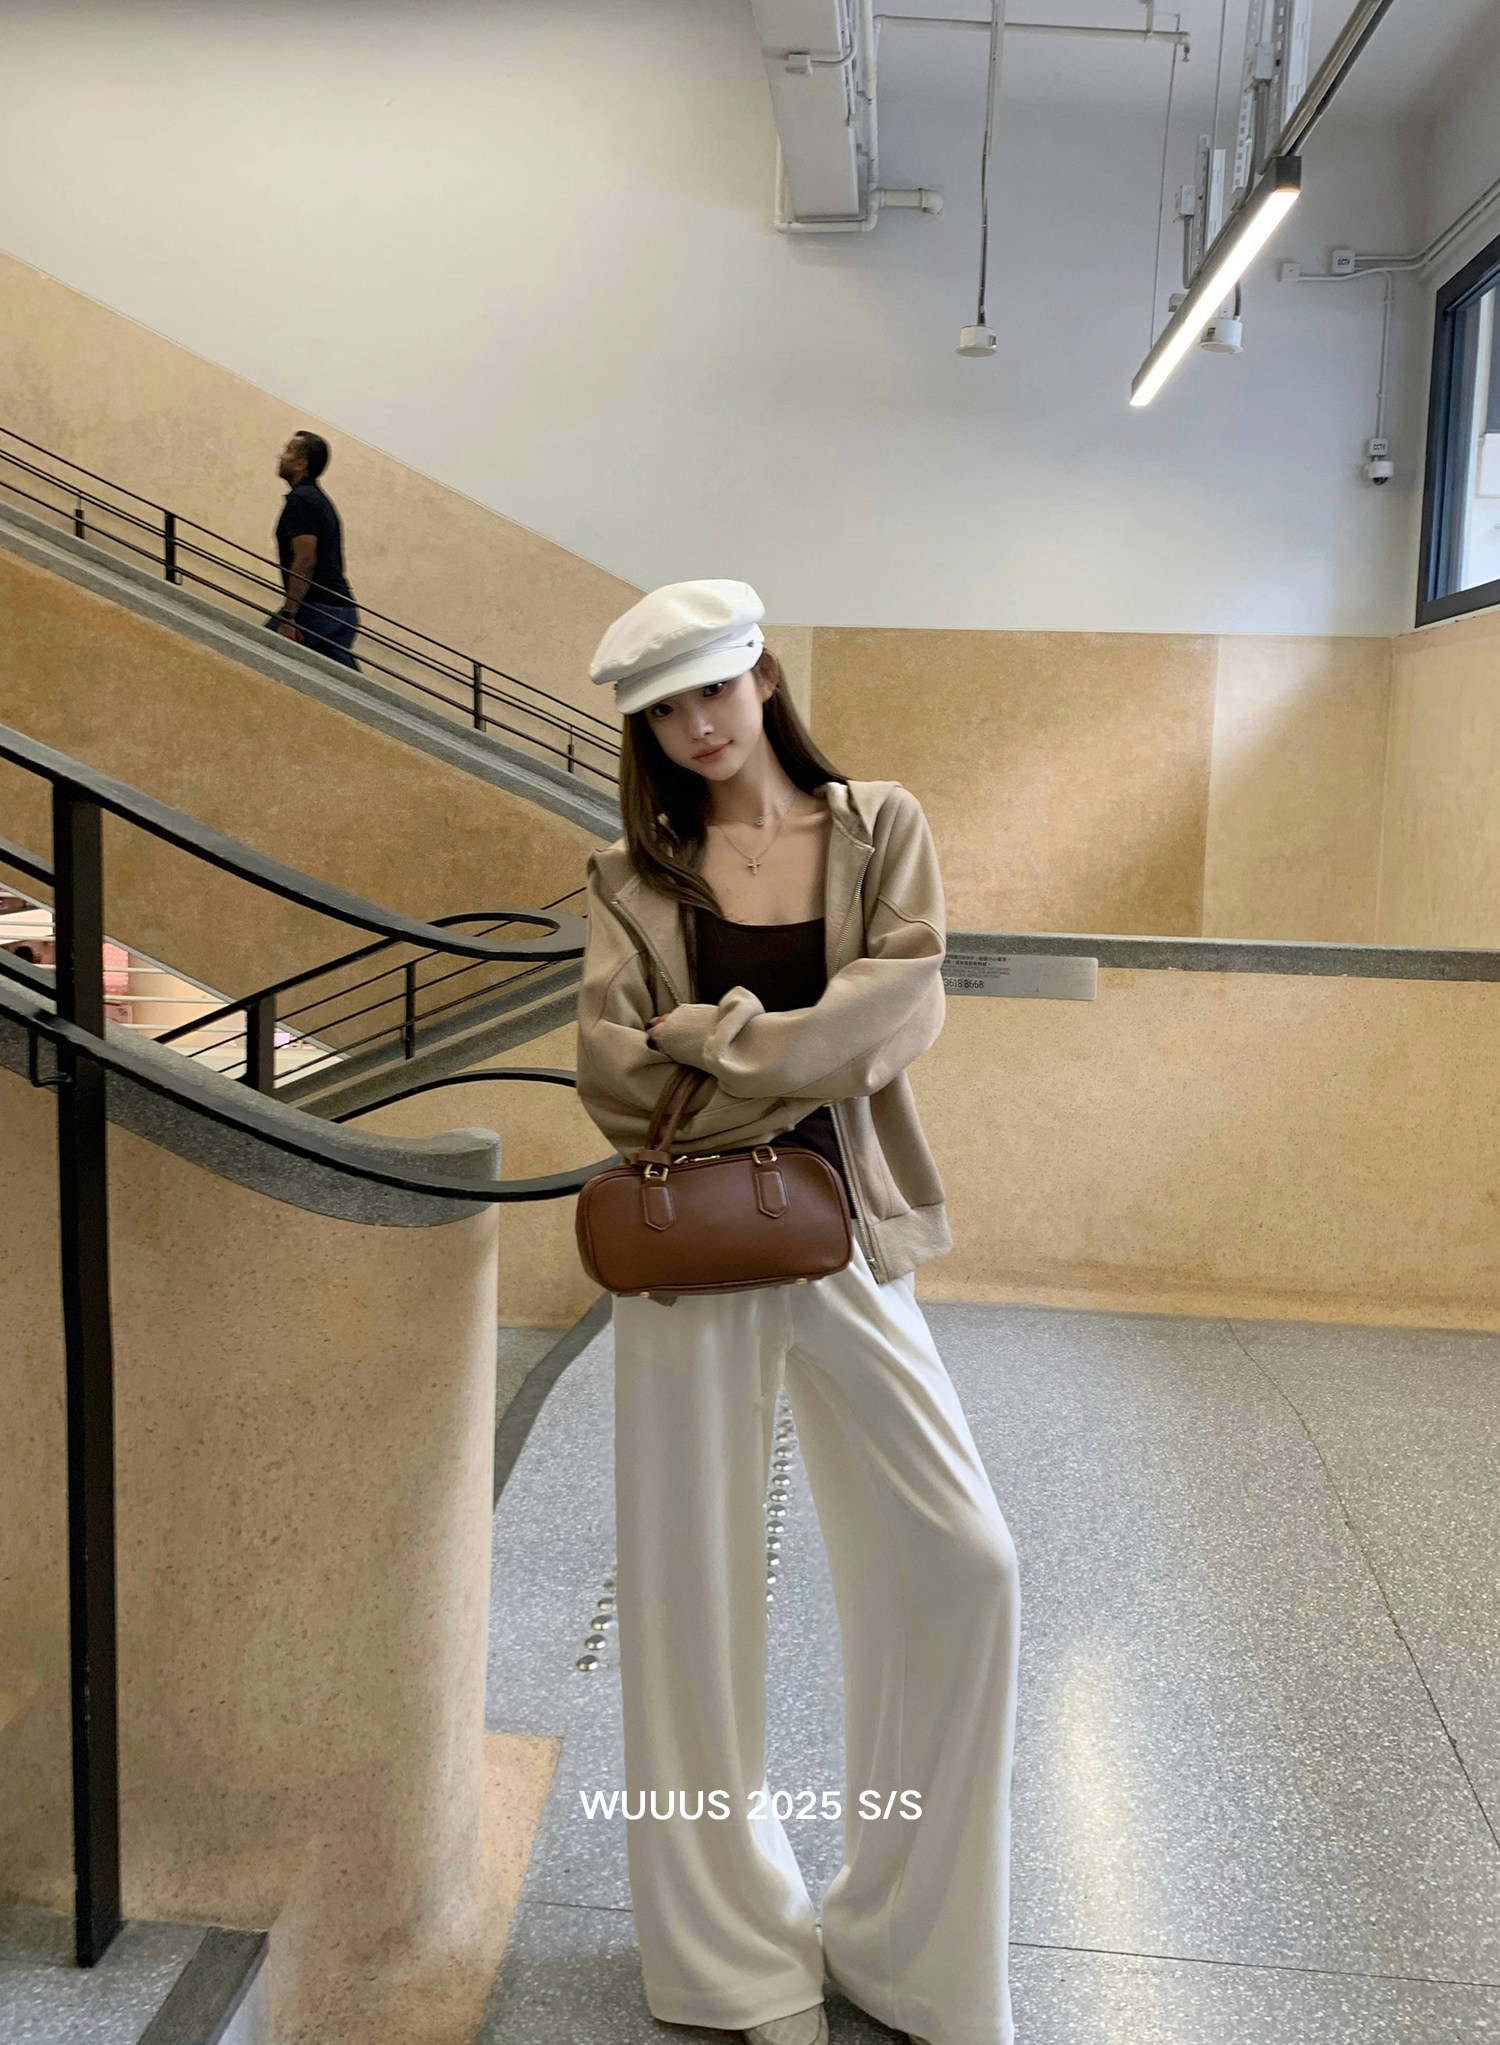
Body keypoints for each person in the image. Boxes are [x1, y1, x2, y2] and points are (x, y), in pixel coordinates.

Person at [574, 580, 1021, 2045]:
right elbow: (612, 1078)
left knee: (965, 1561)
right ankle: (734, 1961)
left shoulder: (881, 827)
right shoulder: (630, 877)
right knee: (688, 1598)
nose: (696, 725)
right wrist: (792, 1055)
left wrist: (715, 1038)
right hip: (691, 1251)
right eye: (664, 710)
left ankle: (907, 1944)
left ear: (762, 675)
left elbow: (897, 1013)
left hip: (843, 1231)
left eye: (713, 688)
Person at [266, 431, 360, 667]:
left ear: (301, 464)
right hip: (343, 610)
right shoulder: (318, 500)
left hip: (319, 608)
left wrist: (289, 615)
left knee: (259, 653)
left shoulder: (301, 501)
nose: (281, 456)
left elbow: (305, 559)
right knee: (341, 684)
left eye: (288, 451)